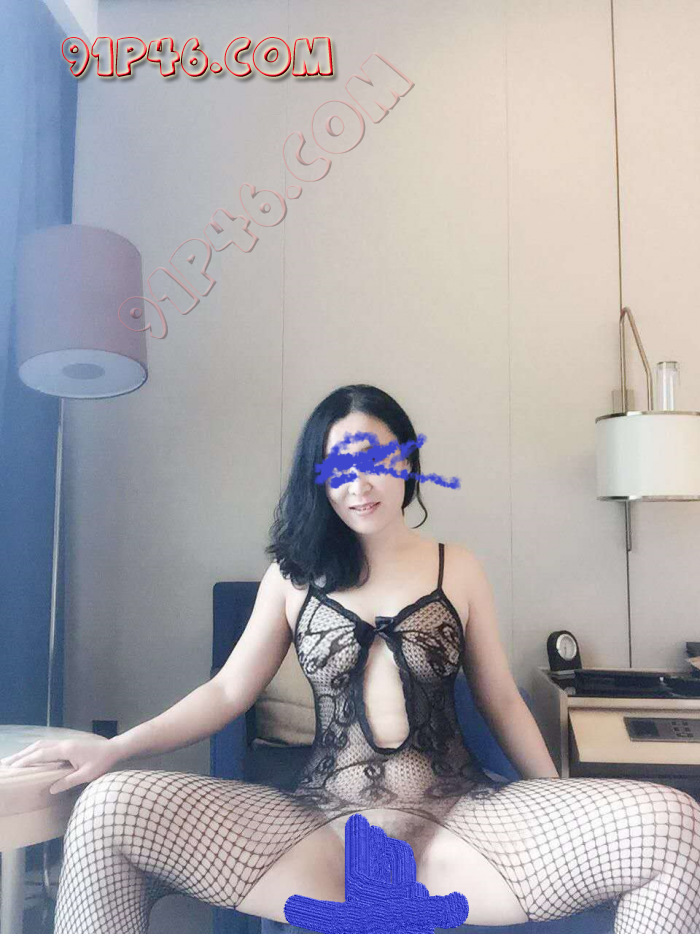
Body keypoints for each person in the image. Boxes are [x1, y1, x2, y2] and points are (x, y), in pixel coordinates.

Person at [2, 383, 700, 933]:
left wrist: (552, 796)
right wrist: (115, 749)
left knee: (672, 822)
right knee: (109, 808)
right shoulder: (292, 575)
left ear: (407, 462)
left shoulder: (458, 567)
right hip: (322, 830)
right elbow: (226, 694)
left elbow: (500, 698)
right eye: (340, 466)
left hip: (462, 824)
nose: (359, 483)